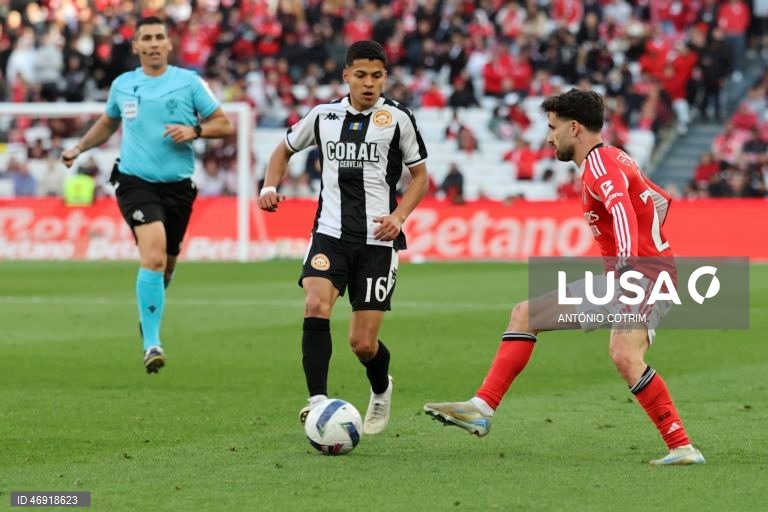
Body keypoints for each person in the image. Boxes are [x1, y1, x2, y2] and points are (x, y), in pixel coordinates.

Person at [424, 89, 705, 465]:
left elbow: (622, 210)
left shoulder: (600, 165)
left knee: (624, 354)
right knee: (526, 315)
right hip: (638, 274)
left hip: (641, 276)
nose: (548, 137)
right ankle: (482, 408)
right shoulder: (613, 158)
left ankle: (682, 446)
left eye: (553, 127)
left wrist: (628, 264)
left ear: (574, 128)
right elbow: (659, 199)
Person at [258, 40, 429, 435]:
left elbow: (420, 176)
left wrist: (399, 216)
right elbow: (283, 150)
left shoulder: (398, 118)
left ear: (385, 78)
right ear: (346, 75)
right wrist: (269, 187)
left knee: (362, 344)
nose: (369, 83)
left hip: (377, 241)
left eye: (377, 76)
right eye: (361, 75)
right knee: (315, 304)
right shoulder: (323, 115)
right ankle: (317, 402)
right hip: (329, 234)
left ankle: (381, 387)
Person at [61, 16, 233, 374]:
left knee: (165, 267)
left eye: (159, 37)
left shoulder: (189, 82)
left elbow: (224, 123)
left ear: (169, 44)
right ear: (136, 46)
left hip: (179, 188)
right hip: (135, 182)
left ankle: (148, 316)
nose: (154, 44)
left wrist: (195, 130)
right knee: (152, 257)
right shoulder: (123, 85)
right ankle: (152, 343)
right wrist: (79, 147)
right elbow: (108, 122)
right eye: (147, 38)